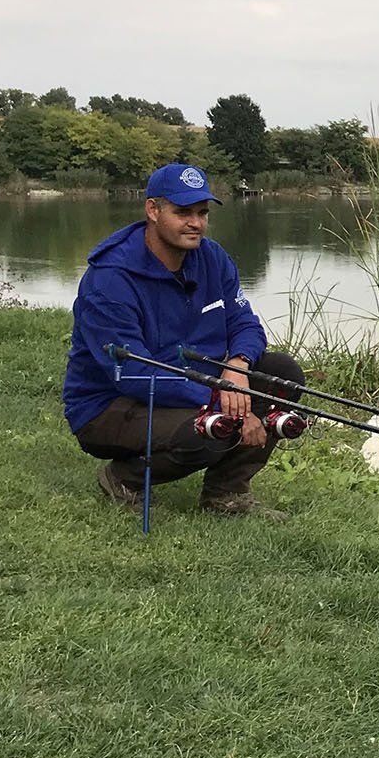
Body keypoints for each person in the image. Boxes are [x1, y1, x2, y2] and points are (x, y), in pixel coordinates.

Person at [63, 163, 307, 517]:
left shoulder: (213, 258)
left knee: (281, 375)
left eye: (202, 212)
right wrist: (223, 400)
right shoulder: (110, 278)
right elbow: (132, 372)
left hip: (195, 384)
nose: (195, 223)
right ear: (153, 210)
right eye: (182, 212)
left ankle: (226, 495)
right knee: (210, 429)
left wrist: (237, 366)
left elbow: (246, 324)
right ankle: (122, 479)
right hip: (108, 406)